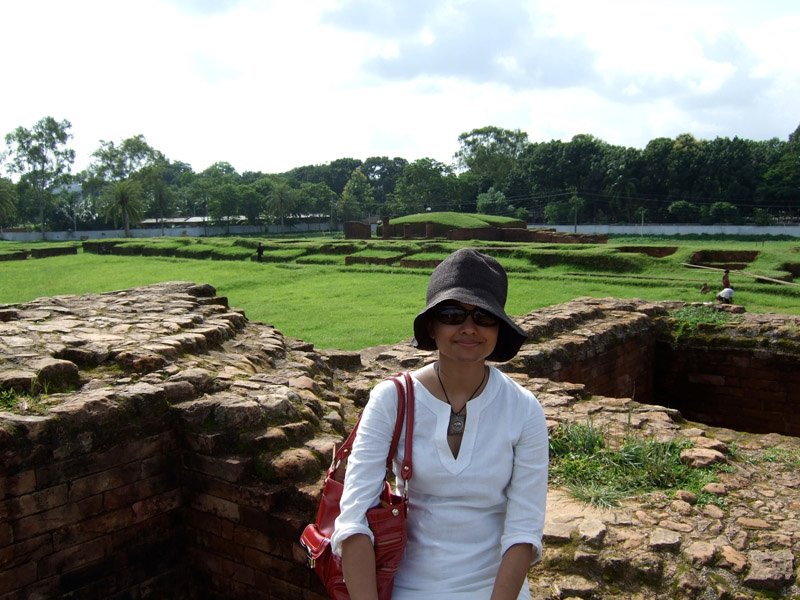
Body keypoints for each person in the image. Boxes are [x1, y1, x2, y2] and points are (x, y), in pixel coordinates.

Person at [331, 248, 549, 600]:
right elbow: (353, 520)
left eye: (484, 316)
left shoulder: (523, 409)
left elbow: (524, 530)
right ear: (432, 324)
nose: (469, 328)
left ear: (497, 328)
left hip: (495, 588)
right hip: (409, 586)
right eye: (452, 313)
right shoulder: (391, 400)